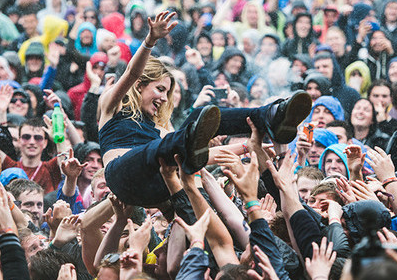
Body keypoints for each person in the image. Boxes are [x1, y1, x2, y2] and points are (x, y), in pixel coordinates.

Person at [98, 11, 312, 206]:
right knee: (176, 139)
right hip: (123, 180)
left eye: (167, 93)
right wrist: (151, 40)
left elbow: (204, 155)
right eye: (160, 89)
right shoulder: (112, 106)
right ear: (139, 85)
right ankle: (194, 134)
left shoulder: (160, 128)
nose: (164, 98)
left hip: (157, 187)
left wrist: (249, 147)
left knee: (198, 119)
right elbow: (131, 73)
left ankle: (270, 115)